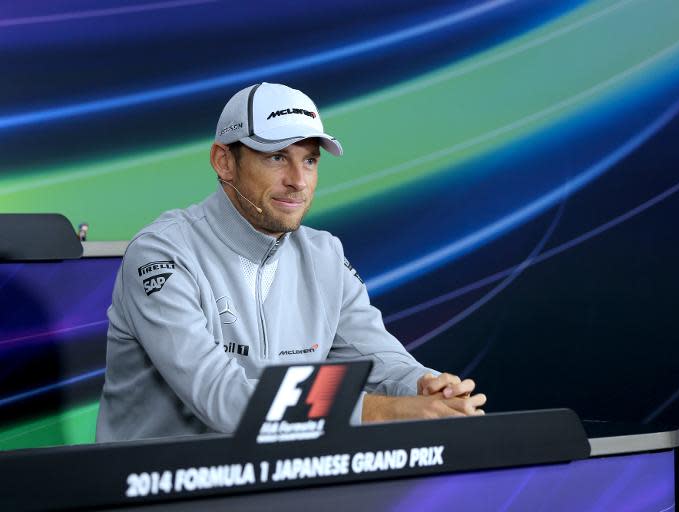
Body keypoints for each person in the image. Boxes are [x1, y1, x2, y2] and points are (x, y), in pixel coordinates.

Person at [96, 83, 485, 442]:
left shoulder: (324, 255)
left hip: (276, 487)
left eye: (310, 160)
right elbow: (221, 397)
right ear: (224, 161)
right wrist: (384, 411)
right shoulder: (162, 253)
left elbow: (379, 359)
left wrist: (425, 386)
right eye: (277, 157)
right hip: (154, 493)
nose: (298, 180)